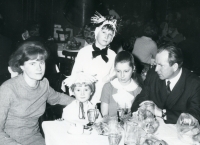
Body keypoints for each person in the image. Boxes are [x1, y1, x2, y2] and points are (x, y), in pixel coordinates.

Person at [0, 41, 75, 145]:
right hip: (8, 140)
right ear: (22, 66)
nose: (39, 68)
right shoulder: (7, 89)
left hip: (34, 138)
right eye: (32, 63)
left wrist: (80, 103)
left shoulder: (43, 84)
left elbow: (58, 98)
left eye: (41, 62)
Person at [131, 44, 200, 124]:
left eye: (161, 65)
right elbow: (140, 99)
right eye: (156, 64)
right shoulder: (152, 75)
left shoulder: (194, 84)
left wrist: (161, 113)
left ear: (174, 67)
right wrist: (141, 110)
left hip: (179, 132)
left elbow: (195, 116)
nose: (156, 69)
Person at [70, 12, 118, 105]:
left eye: (110, 34)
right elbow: (75, 75)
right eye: (103, 32)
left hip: (104, 98)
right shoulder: (83, 52)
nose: (106, 36)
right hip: (85, 97)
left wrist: (109, 78)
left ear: (112, 38)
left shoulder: (113, 55)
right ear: (96, 33)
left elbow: (114, 76)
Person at [100, 51, 142, 117]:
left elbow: (137, 116)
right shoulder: (108, 87)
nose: (122, 75)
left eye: (126, 71)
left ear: (133, 68)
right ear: (115, 69)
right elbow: (104, 115)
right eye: (118, 71)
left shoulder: (138, 90)